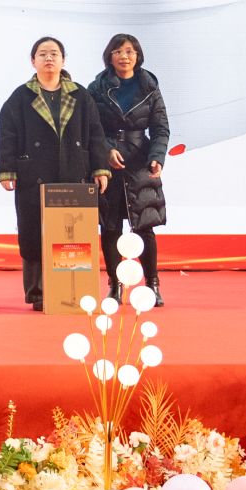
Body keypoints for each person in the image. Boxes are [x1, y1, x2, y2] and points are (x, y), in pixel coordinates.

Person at [0, 36, 112, 311]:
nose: (49, 58)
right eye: (43, 54)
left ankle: (74, 286)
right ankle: (37, 293)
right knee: (33, 232)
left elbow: (96, 133)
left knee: (73, 232)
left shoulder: (80, 95)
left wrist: (100, 168)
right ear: (32, 61)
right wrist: (6, 169)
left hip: (74, 171)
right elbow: (7, 134)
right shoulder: (20, 97)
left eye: (54, 53)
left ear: (63, 60)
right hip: (33, 174)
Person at [87, 33, 171, 305]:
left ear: (138, 56)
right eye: (118, 51)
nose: (124, 56)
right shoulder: (96, 87)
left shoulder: (149, 86)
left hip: (140, 160)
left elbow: (160, 127)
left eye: (130, 51)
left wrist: (157, 157)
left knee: (144, 226)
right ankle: (115, 284)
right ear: (109, 56)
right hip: (108, 164)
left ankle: (153, 284)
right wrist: (105, 150)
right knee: (110, 227)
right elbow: (91, 127)